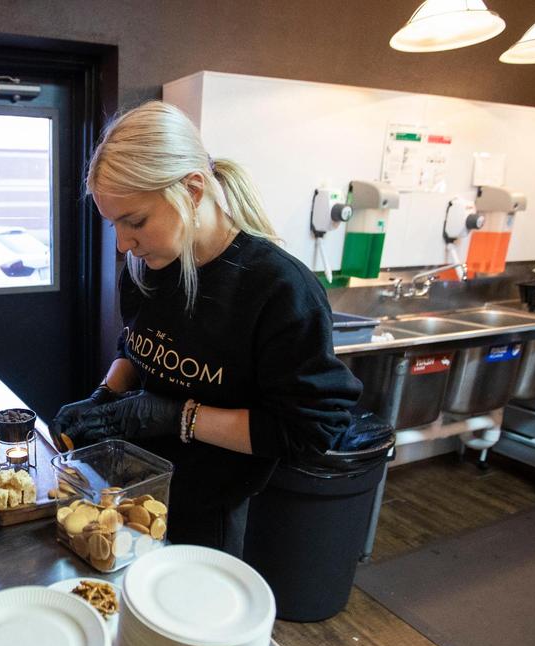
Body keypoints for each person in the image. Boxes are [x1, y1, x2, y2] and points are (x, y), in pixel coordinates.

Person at [50, 101, 363, 556]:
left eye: (134, 221)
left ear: (193, 190)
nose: (123, 244)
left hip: (208, 506)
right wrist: (108, 395)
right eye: (114, 224)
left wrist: (178, 417)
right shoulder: (146, 268)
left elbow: (310, 431)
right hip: (135, 484)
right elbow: (137, 347)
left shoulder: (278, 289)